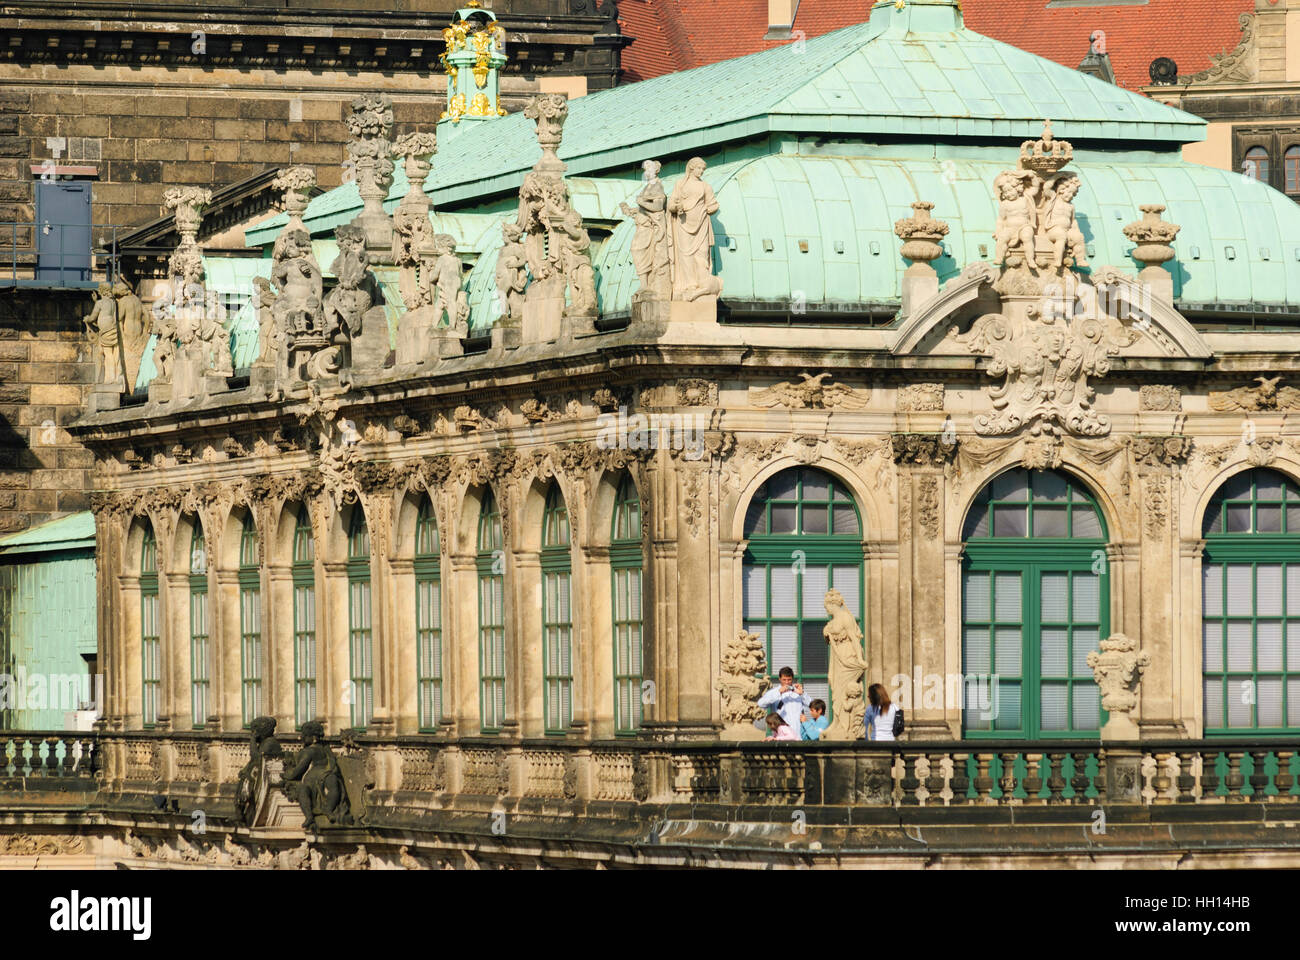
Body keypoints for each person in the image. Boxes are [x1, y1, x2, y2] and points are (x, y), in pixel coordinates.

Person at [757, 666, 808, 734]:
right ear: (779, 679)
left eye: (789, 680)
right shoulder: (774, 692)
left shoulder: (798, 691)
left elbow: (812, 705)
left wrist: (802, 694)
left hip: (798, 733)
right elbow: (761, 704)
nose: (787, 682)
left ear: (792, 679)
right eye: (784, 680)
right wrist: (778, 692)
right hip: (781, 734)